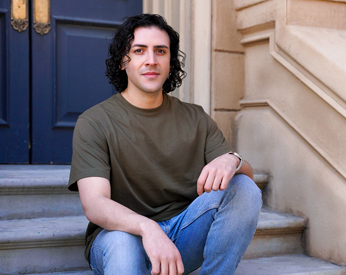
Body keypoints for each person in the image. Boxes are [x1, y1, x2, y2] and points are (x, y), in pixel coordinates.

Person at [67, 14, 262, 275]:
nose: (151, 60)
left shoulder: (195, 118)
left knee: (244, 188)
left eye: (161, 51)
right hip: (121, 237)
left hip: (183, 237)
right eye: (139, 51)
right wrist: (148, 228)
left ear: (170, 62)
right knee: (123, 244)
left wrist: (231, 159)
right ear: (123, 61)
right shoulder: (94, 122)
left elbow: (245, 180)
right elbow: (94, 203)